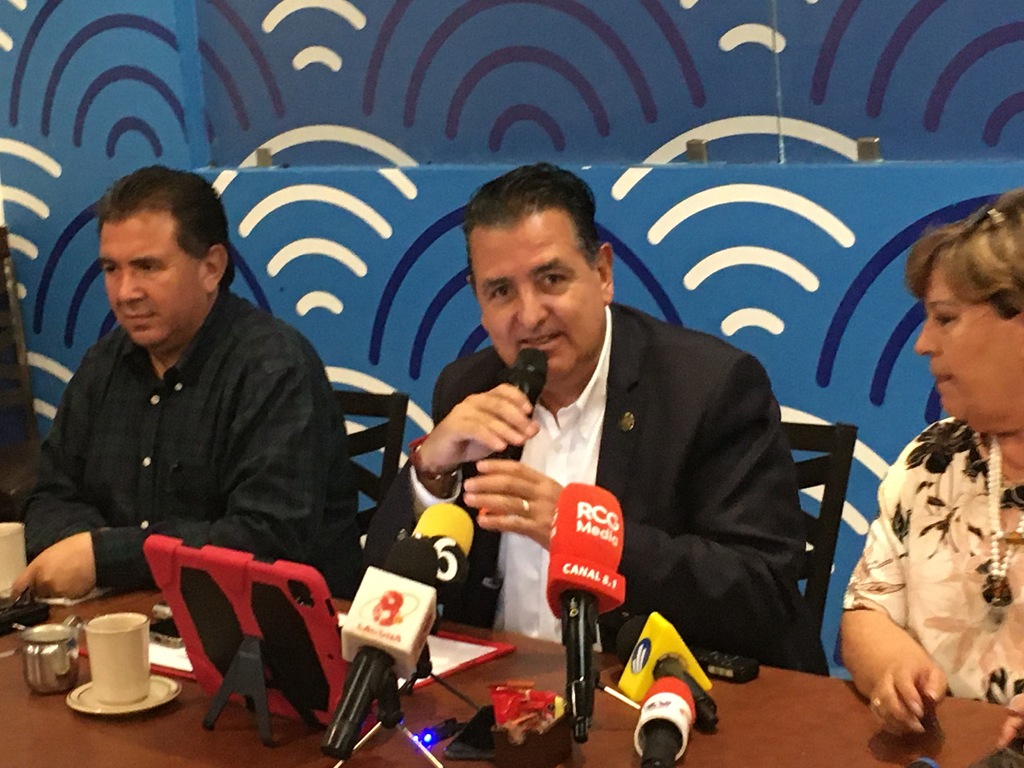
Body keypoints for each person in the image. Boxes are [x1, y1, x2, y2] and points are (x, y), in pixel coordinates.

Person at [365, 163, 826, 672]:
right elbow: (380, 593)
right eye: (501, 291)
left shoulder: (709, 388)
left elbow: (763, 592)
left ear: (603, 274)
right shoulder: (468, 388)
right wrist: (431, 472)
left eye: (551, 279)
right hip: (496, 689)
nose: (530, 315)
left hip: (654, 692)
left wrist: (586, 534)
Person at [13, 166, 362, 599]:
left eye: (147, 267)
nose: (124, 292)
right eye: (111, 269)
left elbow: (266, 540)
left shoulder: (274, 367)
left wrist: (108, 557)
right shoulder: (103, 364)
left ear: (211, 268)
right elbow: (48, 498)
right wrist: (84, 550)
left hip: (268, 622)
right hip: (126, 613)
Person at [841, 189, 1024, 745]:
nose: (922, 344)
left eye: (945, 319)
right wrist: (895, 669)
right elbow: (866, 611)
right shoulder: (931, 460)